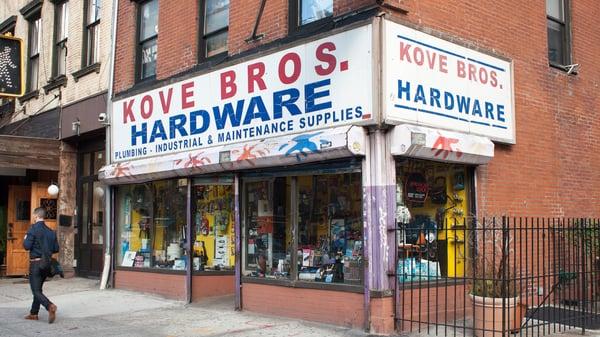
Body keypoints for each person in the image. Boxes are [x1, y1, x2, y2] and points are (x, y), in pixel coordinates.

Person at [22, 207, 59, 324]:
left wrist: (25, 239)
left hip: (36, 264)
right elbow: (56, 248)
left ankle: (49, 306)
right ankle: (34, 313)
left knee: (36, 290)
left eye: (33, 215)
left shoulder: (32, 229)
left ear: (36, 216)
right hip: (46, 264)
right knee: (38, 289)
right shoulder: (51, 231)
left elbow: (27, 246)